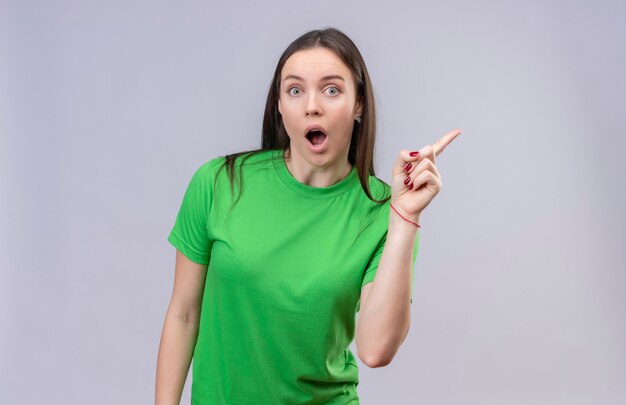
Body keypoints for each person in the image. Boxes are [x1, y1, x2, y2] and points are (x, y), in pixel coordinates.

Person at [155, 27, 461, 405]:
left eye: (331, 90)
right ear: (279, 106)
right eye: (295, 90)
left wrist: (403, 218)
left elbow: (375, 350)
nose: (311, 105)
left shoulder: (384, 211)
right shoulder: (219, 183)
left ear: (359, 104)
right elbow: (184, 313)